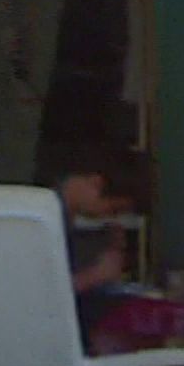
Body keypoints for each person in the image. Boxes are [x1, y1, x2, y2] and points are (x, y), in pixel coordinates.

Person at [54, 146, 145, 342]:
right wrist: (95, 275)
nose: (110, 217)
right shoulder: (42, 219)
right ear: (96, 184)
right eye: (112, 210)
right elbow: (33, 294)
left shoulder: (67, 219)